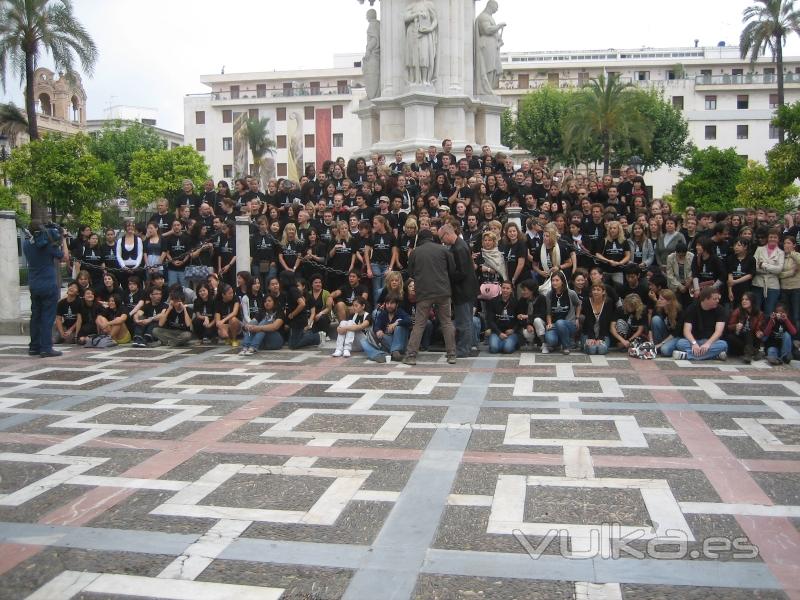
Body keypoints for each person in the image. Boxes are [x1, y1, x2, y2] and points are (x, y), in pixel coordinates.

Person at [403, 229, 457, 365]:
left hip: (424, 293)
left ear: (419, 238)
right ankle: (451, 355)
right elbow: (452, 270)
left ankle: (411, 356)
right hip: (443, 291)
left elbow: (410, 272)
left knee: (419, 324)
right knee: (446, 322)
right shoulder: (443, 249)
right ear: (431, 237)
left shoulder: (415, 252)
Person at [23, 219, 68, 357]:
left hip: (34, 284)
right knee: (47, 317)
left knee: (35, 316)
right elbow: (65, 257)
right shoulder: (48, 245)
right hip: (48, 284)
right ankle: (46, 348)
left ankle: (34, 347)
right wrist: (63, 239)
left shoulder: (26, 244)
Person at [440, 222, 479, 357]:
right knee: (466, 320)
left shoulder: (459, 248)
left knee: (464, 321)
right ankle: (466, 347)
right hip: (465, 289)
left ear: (447, 234)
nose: (442, 241)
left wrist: (447, 276)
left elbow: (461, 272)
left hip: (463, 290)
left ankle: (463, 349)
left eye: (442, 238)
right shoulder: (459, 245)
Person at [673, 287, 728, 361]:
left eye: (718, 299)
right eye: (714, 299)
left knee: (723, 345)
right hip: (695, 339)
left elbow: (718, 332)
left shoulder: (720, 310)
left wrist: (708, 344)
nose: (717, 301)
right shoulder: (692, 308)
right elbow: (686, 330)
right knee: (680, 343)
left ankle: (687, 356)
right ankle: (715, 355)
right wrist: (694, 343)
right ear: (705, 299)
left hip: (711, 341)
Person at [543, 271, 582, 354]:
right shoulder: (549, 294)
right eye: (553, 280)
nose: (554, 282)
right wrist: (549, 323)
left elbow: (578, 305)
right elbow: (548, 312)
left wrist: (577, 318)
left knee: (560, 323)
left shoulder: (571, 293)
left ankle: (566, 346)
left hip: (569, 323)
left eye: (557, 280)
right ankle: (560, 341)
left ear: (562, 281)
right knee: (551, 340)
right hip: (554, 325)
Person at [752, 228, 784, 316]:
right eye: (771, 237)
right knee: (756, 310)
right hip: (757, 284)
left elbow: (779, 269)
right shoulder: (759, 249)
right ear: (767, 238)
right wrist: (771, 268)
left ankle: (767, 330)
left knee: (769, 311)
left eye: (775, 237)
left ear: (778, 239)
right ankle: (756, 329)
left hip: (773, 286)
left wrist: (763, 265)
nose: (773, 239)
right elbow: (753, 266)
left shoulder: (781, 253)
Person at [725, 291, 764, 364]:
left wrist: (759, 332)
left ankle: (749, 354)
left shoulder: (759, 314)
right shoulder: (737, 311)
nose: (744, 301)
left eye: (746, 299)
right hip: (740, 338)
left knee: (748, 331)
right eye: (742, 299)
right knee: (729, 337)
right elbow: (729, 326)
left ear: (752, 301)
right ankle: (754, 352)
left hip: (752, 338)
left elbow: (758, 328)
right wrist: (735, 326)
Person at [486, 281, 519, 354]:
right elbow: (490, 320)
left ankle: (507, 344)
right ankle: (502, 344)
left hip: (510, 332)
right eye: (503, 288)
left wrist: (513, 330)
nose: (505, 290)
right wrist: (499, 333)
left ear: (511, 290)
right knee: (494, 349)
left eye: (508, 288)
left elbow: (518, 320)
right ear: (500, 288)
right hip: (496, 332)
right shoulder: (493, 301)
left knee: (507, 349)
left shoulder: (516, 302)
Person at [581, 282, 614, 355]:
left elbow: (606, 322)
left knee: (601, 350)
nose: (595, 292)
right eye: (594, 289)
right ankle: (582, 344)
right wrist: (591, 337)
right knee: (592, 350)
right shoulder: (586, 301)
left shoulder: (608, 302)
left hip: (603, 333)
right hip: (588, 333)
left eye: (598, 290)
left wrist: (600, 338)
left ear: (603, 292)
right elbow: (588, 320)